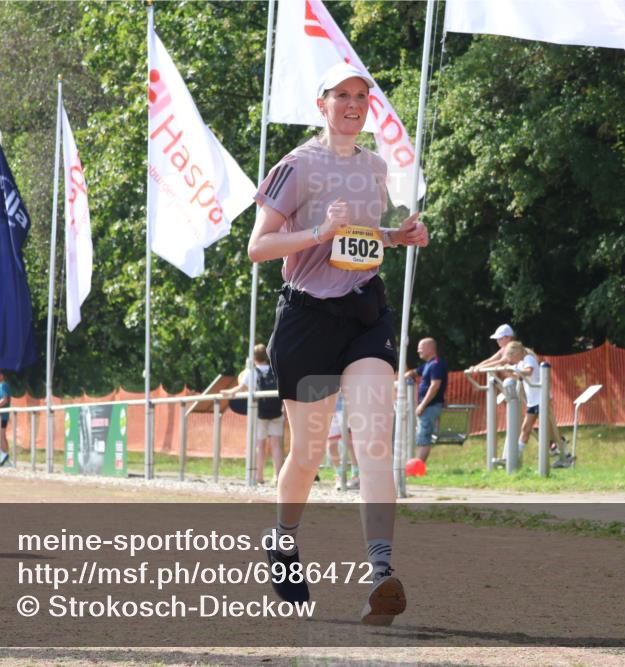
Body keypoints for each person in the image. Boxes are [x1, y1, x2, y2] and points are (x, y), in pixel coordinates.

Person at [247, 62, 428, 625]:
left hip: (365, 315)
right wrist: (318, 233)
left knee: (375, 441)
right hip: (307, 319)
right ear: (322, 104)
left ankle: (382, 575)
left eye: (363, 95)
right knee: (306, 453)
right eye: (343, 95)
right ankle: (282, 540)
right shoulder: (295, 166)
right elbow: (259, 247)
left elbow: (363, 240)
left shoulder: (375, 168)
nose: (354, 104)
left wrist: (400, 236)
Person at [503, 341, 572, 467]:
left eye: (510, 357)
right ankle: (513, 459)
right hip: (533, 402)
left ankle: (564, 453)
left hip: (540, 400)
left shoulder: (528, 358)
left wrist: (516, 371)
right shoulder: (520, 362)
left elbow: (529, 371)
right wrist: (509, 373)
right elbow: (521, 377)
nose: (510, 360)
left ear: (517, 353)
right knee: (526, 429)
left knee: (548, 431)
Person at [223, 344, 285, 485]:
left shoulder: (251, 372)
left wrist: (227, 392)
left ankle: (259, 476)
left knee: (260, 446)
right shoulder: (275, 370)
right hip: (277, 411)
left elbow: (240, 387)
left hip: (260, 412)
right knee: (276, 445)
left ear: (253, 357)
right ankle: (278, 476)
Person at [404, 337, 448, 463]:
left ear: (430, 348)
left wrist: (422, 405)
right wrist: (407, 374)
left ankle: (417, 468)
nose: (418, 351)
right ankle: (417, 465)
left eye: (421, 348)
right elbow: (416, 372)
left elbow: (435, 386)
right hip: (429, 406)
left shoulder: (436, 364)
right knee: (422, 436)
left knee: (424, 438)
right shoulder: (428, 364)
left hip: (430, 406)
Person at [326, 391, 359, 490]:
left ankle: (356, 475)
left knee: (350, 442)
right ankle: (340, 475)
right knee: (331, 445)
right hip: (326, 406)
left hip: (343, 403)